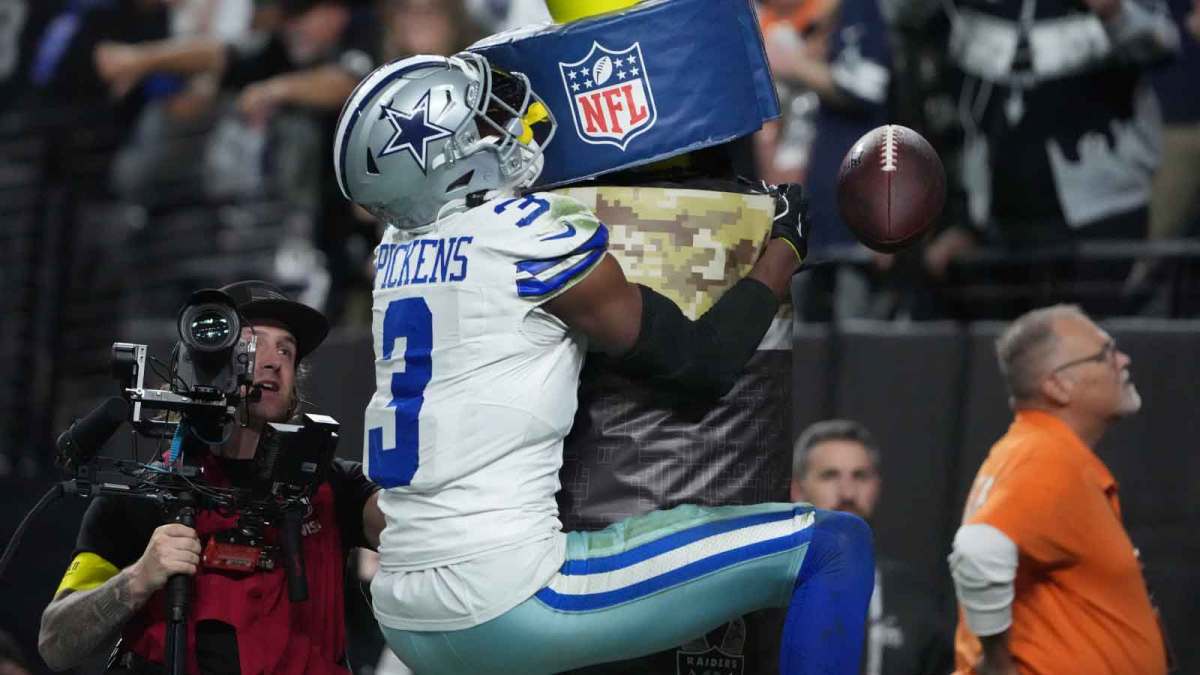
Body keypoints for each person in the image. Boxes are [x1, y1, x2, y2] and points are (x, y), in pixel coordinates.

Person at [333, 52, 875, 674]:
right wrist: (783, 248)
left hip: (403, 610)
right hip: (508, 599)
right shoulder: (526, 236)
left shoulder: (393, 255)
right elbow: (700, 362)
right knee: (836, 546)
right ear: (444, 158)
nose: (503, 128)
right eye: (482, 122)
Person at [37, 280, 385, 675]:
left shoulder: (333, 487)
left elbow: (409, 525)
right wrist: (138, 578)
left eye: (286, 350)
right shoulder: (144, 493)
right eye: (251, 345)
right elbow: (55, 642)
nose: (273, 361)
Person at [922, 0, 1180, 316]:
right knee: (1012, 345)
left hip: (1100, 213)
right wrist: (957, 220)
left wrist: (1117, 14)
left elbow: (1164, 44)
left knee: (1089, 341)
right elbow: (946, 102)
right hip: (994, 220)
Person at [949, 304, 1167, 674]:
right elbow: (978, 549)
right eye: (1105, 354)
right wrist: (998, 666)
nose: (1123, 360)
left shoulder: (1032, 449)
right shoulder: (1044, 456)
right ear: (1058, 385)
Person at [792, 420, 954, 675]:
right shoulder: (766, 588)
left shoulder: (912, 597)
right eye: (830, 475)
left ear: (876, 487)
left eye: (860, 476)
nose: (847, 493)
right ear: (797, 491)